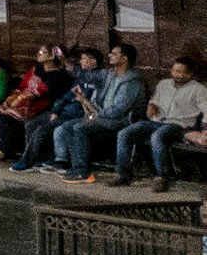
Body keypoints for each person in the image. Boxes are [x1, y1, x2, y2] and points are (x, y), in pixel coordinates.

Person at [114, 55, 207, 191]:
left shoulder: (198, 89)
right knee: (124, 133)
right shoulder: (164, 84)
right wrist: (151, 106)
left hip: (179, 126)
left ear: (190, 74)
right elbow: (154, 101)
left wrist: (205, 128)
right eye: (174, 71)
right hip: (156, 122)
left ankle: (162, 176)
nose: (177, 74)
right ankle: (123, 174)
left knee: (157, 136)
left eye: (181, 72)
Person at [64, 44, 148, 184]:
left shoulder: (132, 82)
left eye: (114, 53)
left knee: (80, 127)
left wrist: (96, 114)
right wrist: (67, 63)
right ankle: (77, 166)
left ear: (125, 58)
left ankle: (83, 171)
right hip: (103, 116)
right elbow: (86, 76)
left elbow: (117, 112)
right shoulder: (110, 74)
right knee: (68, 126)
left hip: (123, 120)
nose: (109, 55)